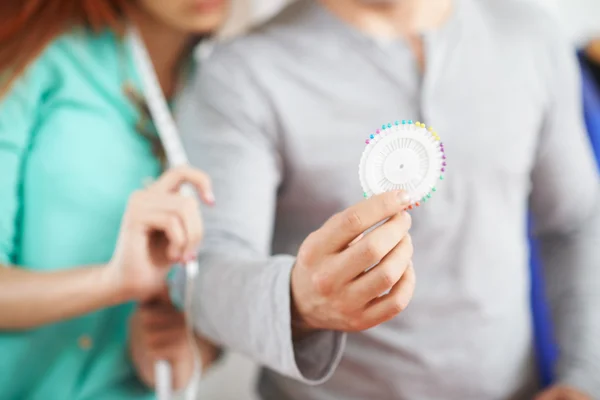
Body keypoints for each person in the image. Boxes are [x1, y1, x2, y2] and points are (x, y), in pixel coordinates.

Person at [173, 0, 600, 399]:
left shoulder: (530, 37)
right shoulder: (241, 71)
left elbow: (575, 221)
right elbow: (203, 270)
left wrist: (584, 376)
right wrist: (297, 302)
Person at [0, 1, 226, 398]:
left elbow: (243, 268)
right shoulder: (36, 59)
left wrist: (199, 347)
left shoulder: (232, 90)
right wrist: (110, 283)